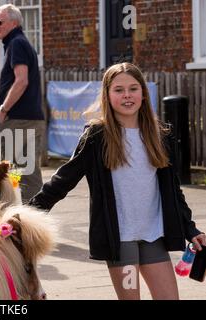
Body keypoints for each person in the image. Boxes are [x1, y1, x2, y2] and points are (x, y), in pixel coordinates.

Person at [29, 62, 206, 300]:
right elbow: (63, 180)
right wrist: (26, 214)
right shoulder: (96, 136)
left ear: (143, 93)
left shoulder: (160, 135)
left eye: (133, 88)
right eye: (119, 90)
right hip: (120, 241)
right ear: (107, 95)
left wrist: (190, 229)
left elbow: (173, 191)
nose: (127, 95)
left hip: (154, 235)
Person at [0, 4, 45, 203]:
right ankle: (29, 217)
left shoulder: (16, 43)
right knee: (25, 171)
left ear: (14, 23)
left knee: (10, 173)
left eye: (0, 22)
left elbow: (21, 81)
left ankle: (24, 219)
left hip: (18, 121)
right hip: (25, 119)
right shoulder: (18, 43)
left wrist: (3, 110)